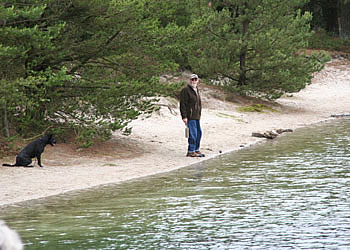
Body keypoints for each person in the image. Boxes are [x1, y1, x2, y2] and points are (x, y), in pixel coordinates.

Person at [180, 74, 205, 157]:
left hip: (197, 116)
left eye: (195, 79)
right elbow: (182, 104)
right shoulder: (185, 90)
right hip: (190, 116)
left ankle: (196, 150)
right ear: (189, 80)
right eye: (192, 79)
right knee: (192, 134)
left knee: (199, 133)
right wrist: (184, 116)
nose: (194, 81)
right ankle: (191, 151)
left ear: (198, 80)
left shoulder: (197, 89)